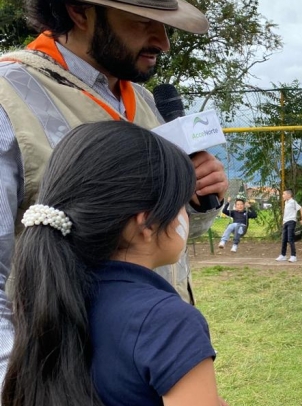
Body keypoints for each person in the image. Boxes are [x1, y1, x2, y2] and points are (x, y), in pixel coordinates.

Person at [0, 0, 228, 385]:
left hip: (157, 363)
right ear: (78, 11)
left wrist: (196, 200)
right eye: (144, 23)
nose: (164, 42)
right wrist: (21, 386)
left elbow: (154, 235)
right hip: (66, 378)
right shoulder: (9, 96)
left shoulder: (146, 103)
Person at [2, 121, 225, 406]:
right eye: (181, 203)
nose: (186, 214)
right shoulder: (170, 322)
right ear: (147, 223)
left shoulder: (52, 298)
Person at [275, 189, 302, 263]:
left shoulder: (293, 202)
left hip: (291, 221)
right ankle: (283, 255)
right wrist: (283, 221)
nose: (283, 195)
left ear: (289, 195)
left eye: (284, 194)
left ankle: (293, 256)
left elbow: (301, 209)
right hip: (286, 222)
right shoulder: (286, 202)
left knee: (290, 238)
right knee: (284, 239)